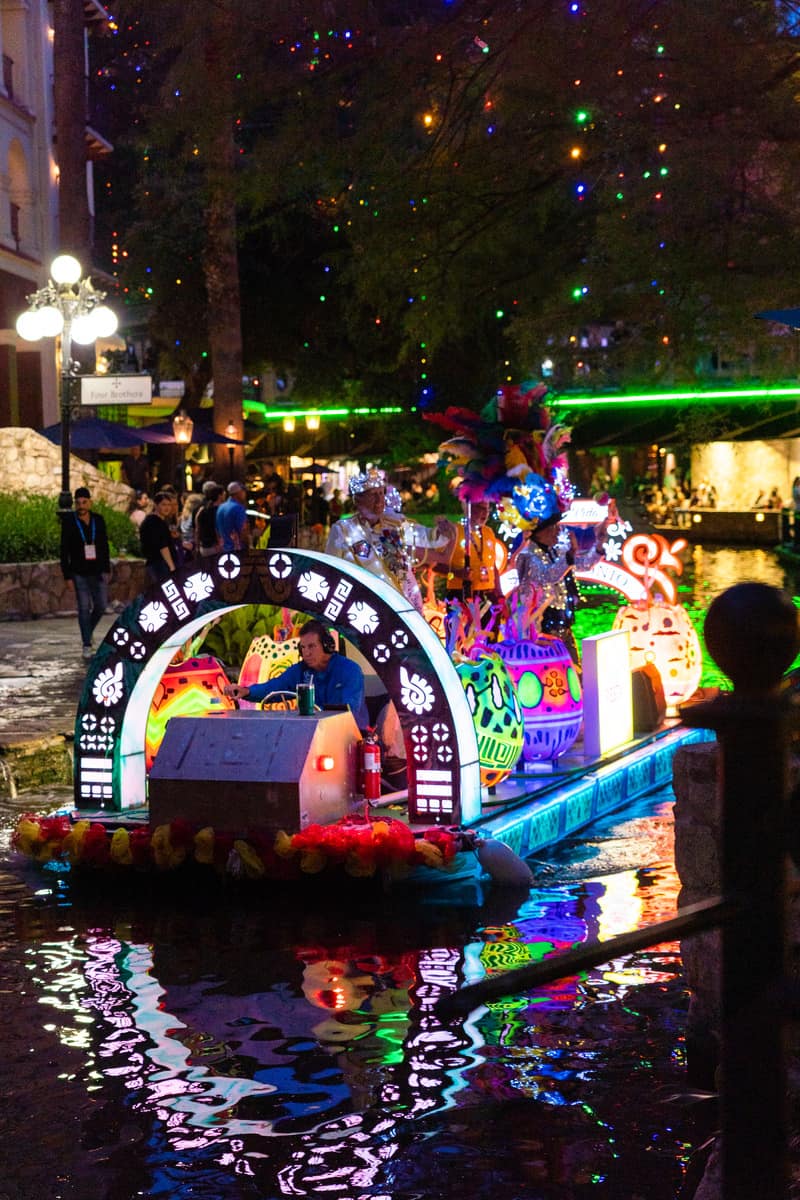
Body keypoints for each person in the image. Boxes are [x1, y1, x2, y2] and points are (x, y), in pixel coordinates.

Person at [325, 468, 453, 612]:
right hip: (365, 606)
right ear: (358, 500)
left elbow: (427, 537)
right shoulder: (343, 530)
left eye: (381, 493)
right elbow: (331, 571)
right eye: (373, 495)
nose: (380, 500)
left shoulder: (395, 523)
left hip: (403, 602)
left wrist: (442, 531)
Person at [224, 619, 368, 727]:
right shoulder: (301, 670)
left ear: (327, 646)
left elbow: (350, 712)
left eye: (311, 646)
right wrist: (246, 691)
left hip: (351, 736)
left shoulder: (350, 670)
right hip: (313, 733)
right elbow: (274, 686)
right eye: (303, 647)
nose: (306, 653)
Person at [60, 486, 111, 660]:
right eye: (78, 502)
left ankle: (87, 631)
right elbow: (63, 550)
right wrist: (67, 575)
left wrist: (106, 568)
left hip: (97, 571)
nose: (81, 505)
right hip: (79, 571)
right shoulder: (69, 521)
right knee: (83, 607)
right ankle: (86, 644)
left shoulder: (99, 520)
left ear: (90, 502)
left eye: (84, 502)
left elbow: (104, 545)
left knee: (101, 605)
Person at [432, 496, 508, 602]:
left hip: (487, 595)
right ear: (469, 508)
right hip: (460, 594)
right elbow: (434, 565)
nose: (485, 513)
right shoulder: (454, 531)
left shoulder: (488, 532)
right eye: (480, 508)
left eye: (487, 509)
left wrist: (499, 594)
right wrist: (457, 573)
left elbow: (492, 566)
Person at [139, 490, 176, 585]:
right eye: (163, 504)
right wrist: (171, 566)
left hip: (157, 564)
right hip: (159, 564)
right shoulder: (155, 522)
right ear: (156, 505)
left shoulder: (157, 521)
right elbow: (162, 546)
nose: (167, 508)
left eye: (169, 505)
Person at [216, 481, 252, 552]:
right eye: (243, 491)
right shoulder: (238, 508)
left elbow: (217, 530)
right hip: (236, 550)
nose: (245, 494)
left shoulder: (221, 507)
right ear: (238, 493)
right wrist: (249, 546)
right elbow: (243, 531)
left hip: (222, 549)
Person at [195, 482, 224, 557]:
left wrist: (197, 546)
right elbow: (217, 528)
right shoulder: (219, 511)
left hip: (204, 547)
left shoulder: (202, 510)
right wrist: (218, 543)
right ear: (220, 496)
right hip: (216, 546)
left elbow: (197, 529)